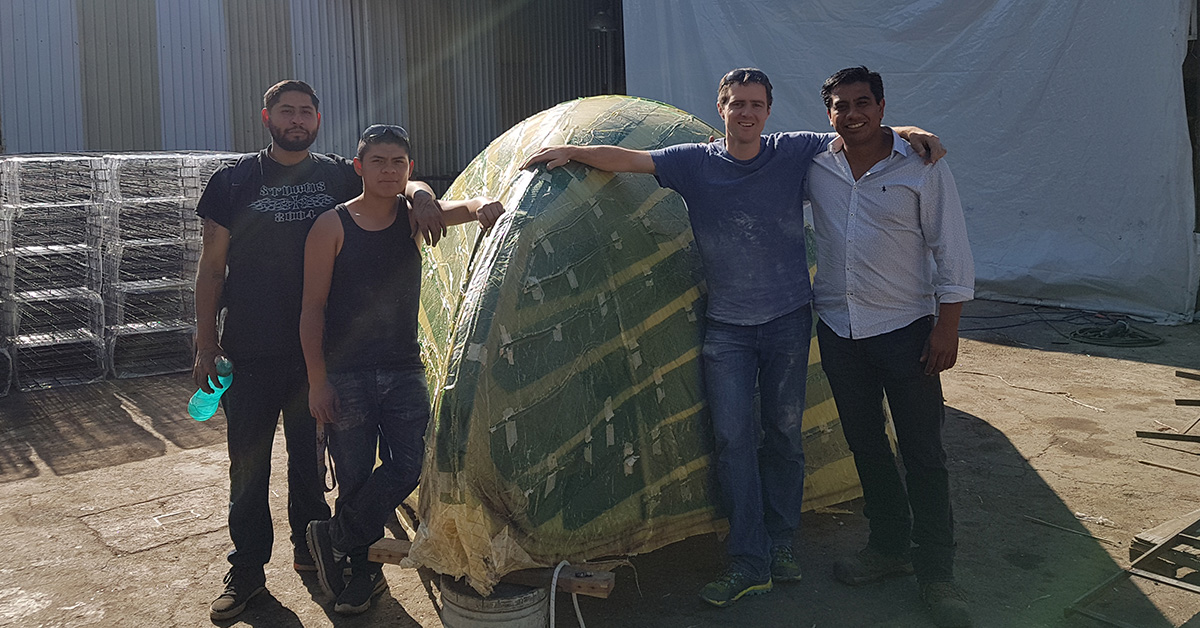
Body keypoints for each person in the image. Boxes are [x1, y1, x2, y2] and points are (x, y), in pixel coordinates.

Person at [521, 68, 944, 608]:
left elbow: (858, 132)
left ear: (769, 112)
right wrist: (571, 150)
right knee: (733, 441)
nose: (746, 113)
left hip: (789, 320)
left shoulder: (794, 152)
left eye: (756, 104)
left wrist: (908, 130)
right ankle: (749, 557)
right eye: (736, 103)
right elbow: (629, 160)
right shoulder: (694, 161)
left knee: (784, 436)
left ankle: (782, 544)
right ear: (721, 108)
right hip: (728, 329)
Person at [195, 80, 445, 621]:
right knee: (248, 467)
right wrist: (205, 341)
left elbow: (394, 178)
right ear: (266, 117)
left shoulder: (336, 173)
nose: (297, 120)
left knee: (311, 466)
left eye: (306, 112)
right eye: (287, 111)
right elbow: (212, 268)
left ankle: (316, 556)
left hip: (323, 357)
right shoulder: (233, 182)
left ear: (318, 119)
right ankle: (247, 574)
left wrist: (422, 194)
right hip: (251, 351)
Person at [299, 124, 503, 615]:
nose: (389, 171)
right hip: (346, 374)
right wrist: (317, 382)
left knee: (409, 466)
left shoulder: (412, 221)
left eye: (398, 164)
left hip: (402, 369)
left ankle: (332, 536)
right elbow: (312, 309)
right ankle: (362, 575)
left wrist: (481, 208)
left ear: (408, 168)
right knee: (352, 477)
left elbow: (473, 205)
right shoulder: (332, 225)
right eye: (378, 162)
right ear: (359, 168)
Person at [806, 66, 974, 628]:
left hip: (907, 332)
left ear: (881, 106)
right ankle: (888, 548)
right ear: (827, 111)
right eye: (839, 105)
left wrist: (946, 327)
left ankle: (938, 574)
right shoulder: (815, 164)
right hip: (839, 330)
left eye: (862, 103)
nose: (851, 114)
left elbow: (950, 249)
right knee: (866, 447)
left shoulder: (922, 165)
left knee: (923, 453)